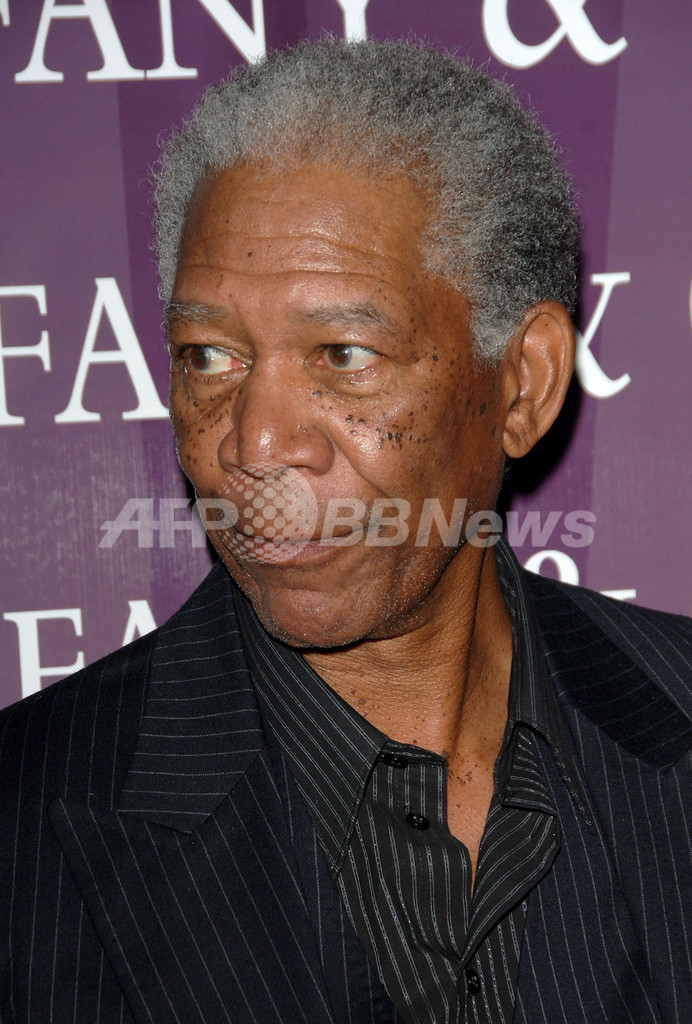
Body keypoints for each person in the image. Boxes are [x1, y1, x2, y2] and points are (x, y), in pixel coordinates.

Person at [1, 38, 690, 1024]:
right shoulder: (26, 819)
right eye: (208, 356)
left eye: (342, 354)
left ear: (521, 385)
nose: (254, 442)